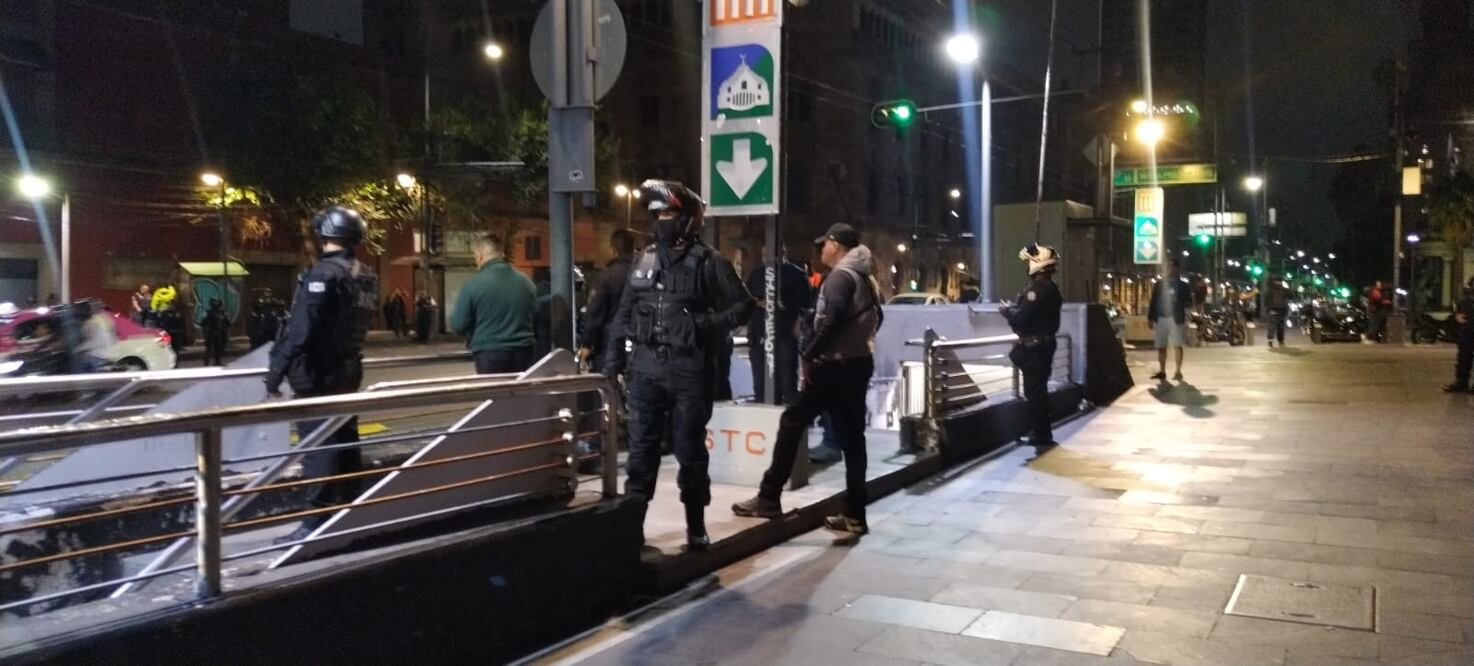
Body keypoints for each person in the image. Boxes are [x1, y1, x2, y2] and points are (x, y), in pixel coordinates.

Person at [603, 180, 753, 551]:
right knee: (641, 453)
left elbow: (744, 306)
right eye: (657, 215)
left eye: (669, 214)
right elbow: (623, 313)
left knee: (689, 451)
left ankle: (695, 527)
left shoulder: (710, 262)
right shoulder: (644, 258)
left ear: (688, 218)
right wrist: (612, 363)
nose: (661, 221)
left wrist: (705, 325)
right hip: (644, 371)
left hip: (689, 371)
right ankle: (632, 531)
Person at [732, 223, 881, 535]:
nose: (821, 250)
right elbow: (876, 319)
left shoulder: (841, 277)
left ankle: (769, 498)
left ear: (836, 245)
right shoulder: (866, 277)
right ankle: (855, 515)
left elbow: (830, 322)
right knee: (853, 442)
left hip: (834, 366)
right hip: (857, 362)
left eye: (824, 244)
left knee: (792, 420)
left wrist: (808, 357)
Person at [265, 205, 378, 544]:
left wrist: (275, 373)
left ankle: (315, 522)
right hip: (348, 368)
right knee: (344, 440)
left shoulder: (323, 274)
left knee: (317, 446)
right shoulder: (365, 273)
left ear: (324, 233)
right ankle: (349, 511)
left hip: (317, 374)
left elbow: (300, 332)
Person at [1002, 244, 1064, 454]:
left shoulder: (1039, 289)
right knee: (1038, 391)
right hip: (1043, 345)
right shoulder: (1051, 288)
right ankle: (1041, 432)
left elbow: (1021, 317)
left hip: (1036, 348)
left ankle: (1041, 434)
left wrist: (1007, 312)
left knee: (1035, 392)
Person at [451, 234, 538, 374]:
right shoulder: (526, 282)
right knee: (519, 395)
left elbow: (458, 324)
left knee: (493, 394)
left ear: (480, 255)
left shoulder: (474, 284)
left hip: (489, 353)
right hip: (524, 352)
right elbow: (534, 314)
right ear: (501, 254)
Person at [745, 242, 812, 406]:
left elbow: (805, 304)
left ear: (783, 252)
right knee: (760, 382)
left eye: (771, 253)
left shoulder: (796, 275)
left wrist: (782, 305)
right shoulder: (755, 274)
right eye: (764, 253)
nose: (767, 256)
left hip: (785, 334)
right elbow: (746, 300)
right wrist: (756, 303)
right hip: (760, 334)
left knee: (787, 380)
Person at [580, 229, 637, 372]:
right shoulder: (641, 272)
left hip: (609, 341)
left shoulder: (606, 276)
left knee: (607, 384)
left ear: (613, 250)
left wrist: (587, 344)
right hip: (638, 339)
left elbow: (595, 313)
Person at [1148, 258, 1192, 381]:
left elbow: (1189, 302)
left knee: (1177, 345)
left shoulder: (1183, 286)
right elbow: (1153, 301)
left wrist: (1178, 300)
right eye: (1166, 266)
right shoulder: (1159, 284)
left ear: (1176, 268)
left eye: (1170, 266)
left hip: (1175, 318)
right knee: (1161, 346)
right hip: (1160, 317)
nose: (1167, 269)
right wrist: (1150, 318)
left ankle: (1178, 371)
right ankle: (1162, 371)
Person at [1445, 277, 1474, 393]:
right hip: (1466, 332)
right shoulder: (1465, 299)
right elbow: (1458, 312)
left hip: (1467, 330)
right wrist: (1458, 317)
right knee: (1463, 358)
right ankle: (1461, 382)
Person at [75, 301, 118, 373]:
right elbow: (113, 337)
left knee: (78, 367)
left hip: (97, 356)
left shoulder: (93, 321)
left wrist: (78, 349)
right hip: (110, 355)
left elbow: (93, 341)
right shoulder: (108, 320)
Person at [1265, 277, 1292, 348]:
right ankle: (1279, 341)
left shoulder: (1270, 290)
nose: (1279, 283)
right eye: (1279, 281)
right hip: (1278, 310)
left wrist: (1268, 309)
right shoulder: (1281, 289)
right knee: (1278, 326)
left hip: (1278, 310)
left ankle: (1273, 341)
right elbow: (1291, 296)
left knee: (1275, 326)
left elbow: (1290, 296)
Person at [202, 298, 230, 366]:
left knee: (219, 347)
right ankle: (206, 360)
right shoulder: (208, 312)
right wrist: (206, 329)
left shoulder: (222, 312)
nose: (217, 304)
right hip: (211, 332)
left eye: (218, 303)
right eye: (215, 303)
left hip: (220, 332)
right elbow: (203, 322)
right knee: (209, 347)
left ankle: (217, 360)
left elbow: (226, 321)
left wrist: (226, 326)